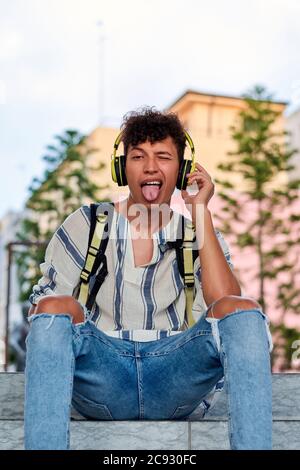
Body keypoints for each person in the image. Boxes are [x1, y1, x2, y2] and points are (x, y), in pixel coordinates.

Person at [24, 108, 273, 450]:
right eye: (138, 156)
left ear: (183, 169)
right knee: (52, 307)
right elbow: (45, 320)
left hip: (176, 376)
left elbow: (225, 306)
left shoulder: (198, 233)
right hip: (101, 377)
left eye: (163, 157)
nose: (151, 167)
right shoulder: (87, 224)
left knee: (243, 310)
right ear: (123, 169)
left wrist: (200, 211)